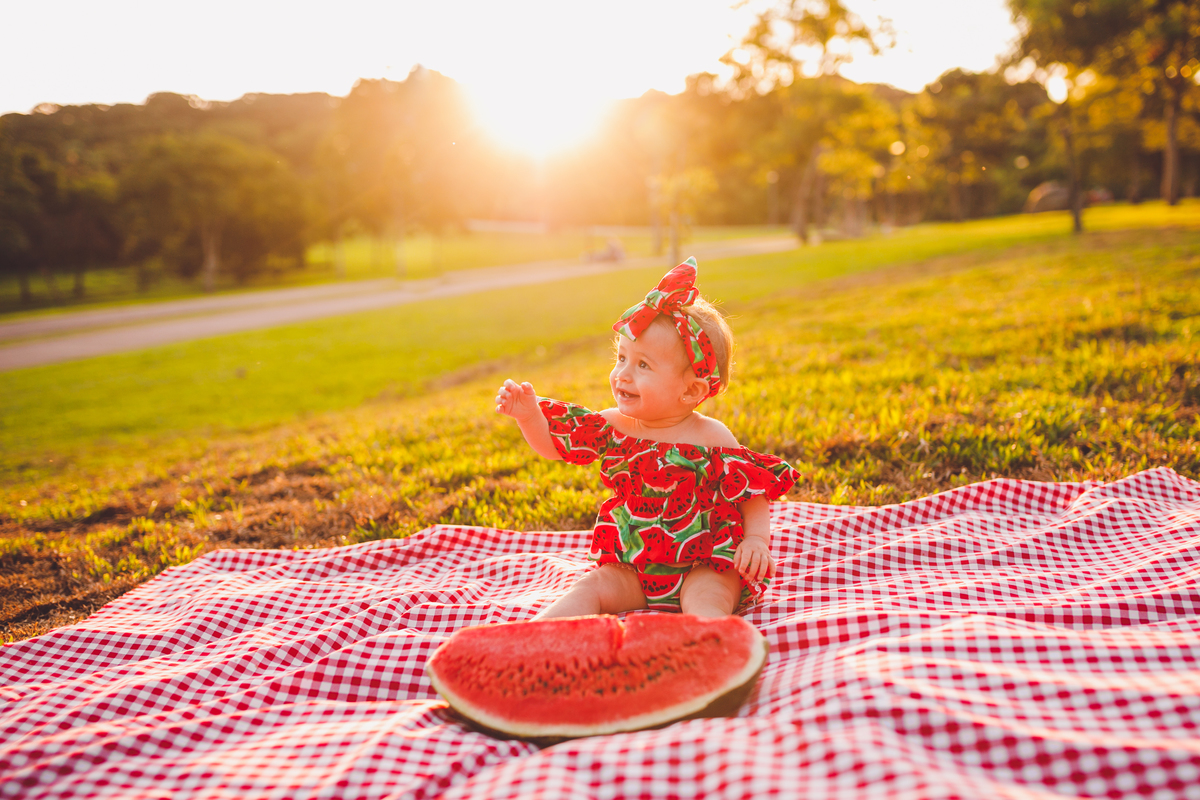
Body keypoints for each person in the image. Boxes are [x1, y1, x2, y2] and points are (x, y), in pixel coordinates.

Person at [495, 257, 799, 619]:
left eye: (643, 365)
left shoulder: (712, 438)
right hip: (634, 565)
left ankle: (714, 645)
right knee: (589, 587)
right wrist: (529, 417)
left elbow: (752, 495)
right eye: (621, 357)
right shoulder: (612, 426)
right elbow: (554, 448)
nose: (622, 374)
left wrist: (756, 541)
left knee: (709, 598)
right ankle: (536, 638)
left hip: (703, 563)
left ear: (691, 391)